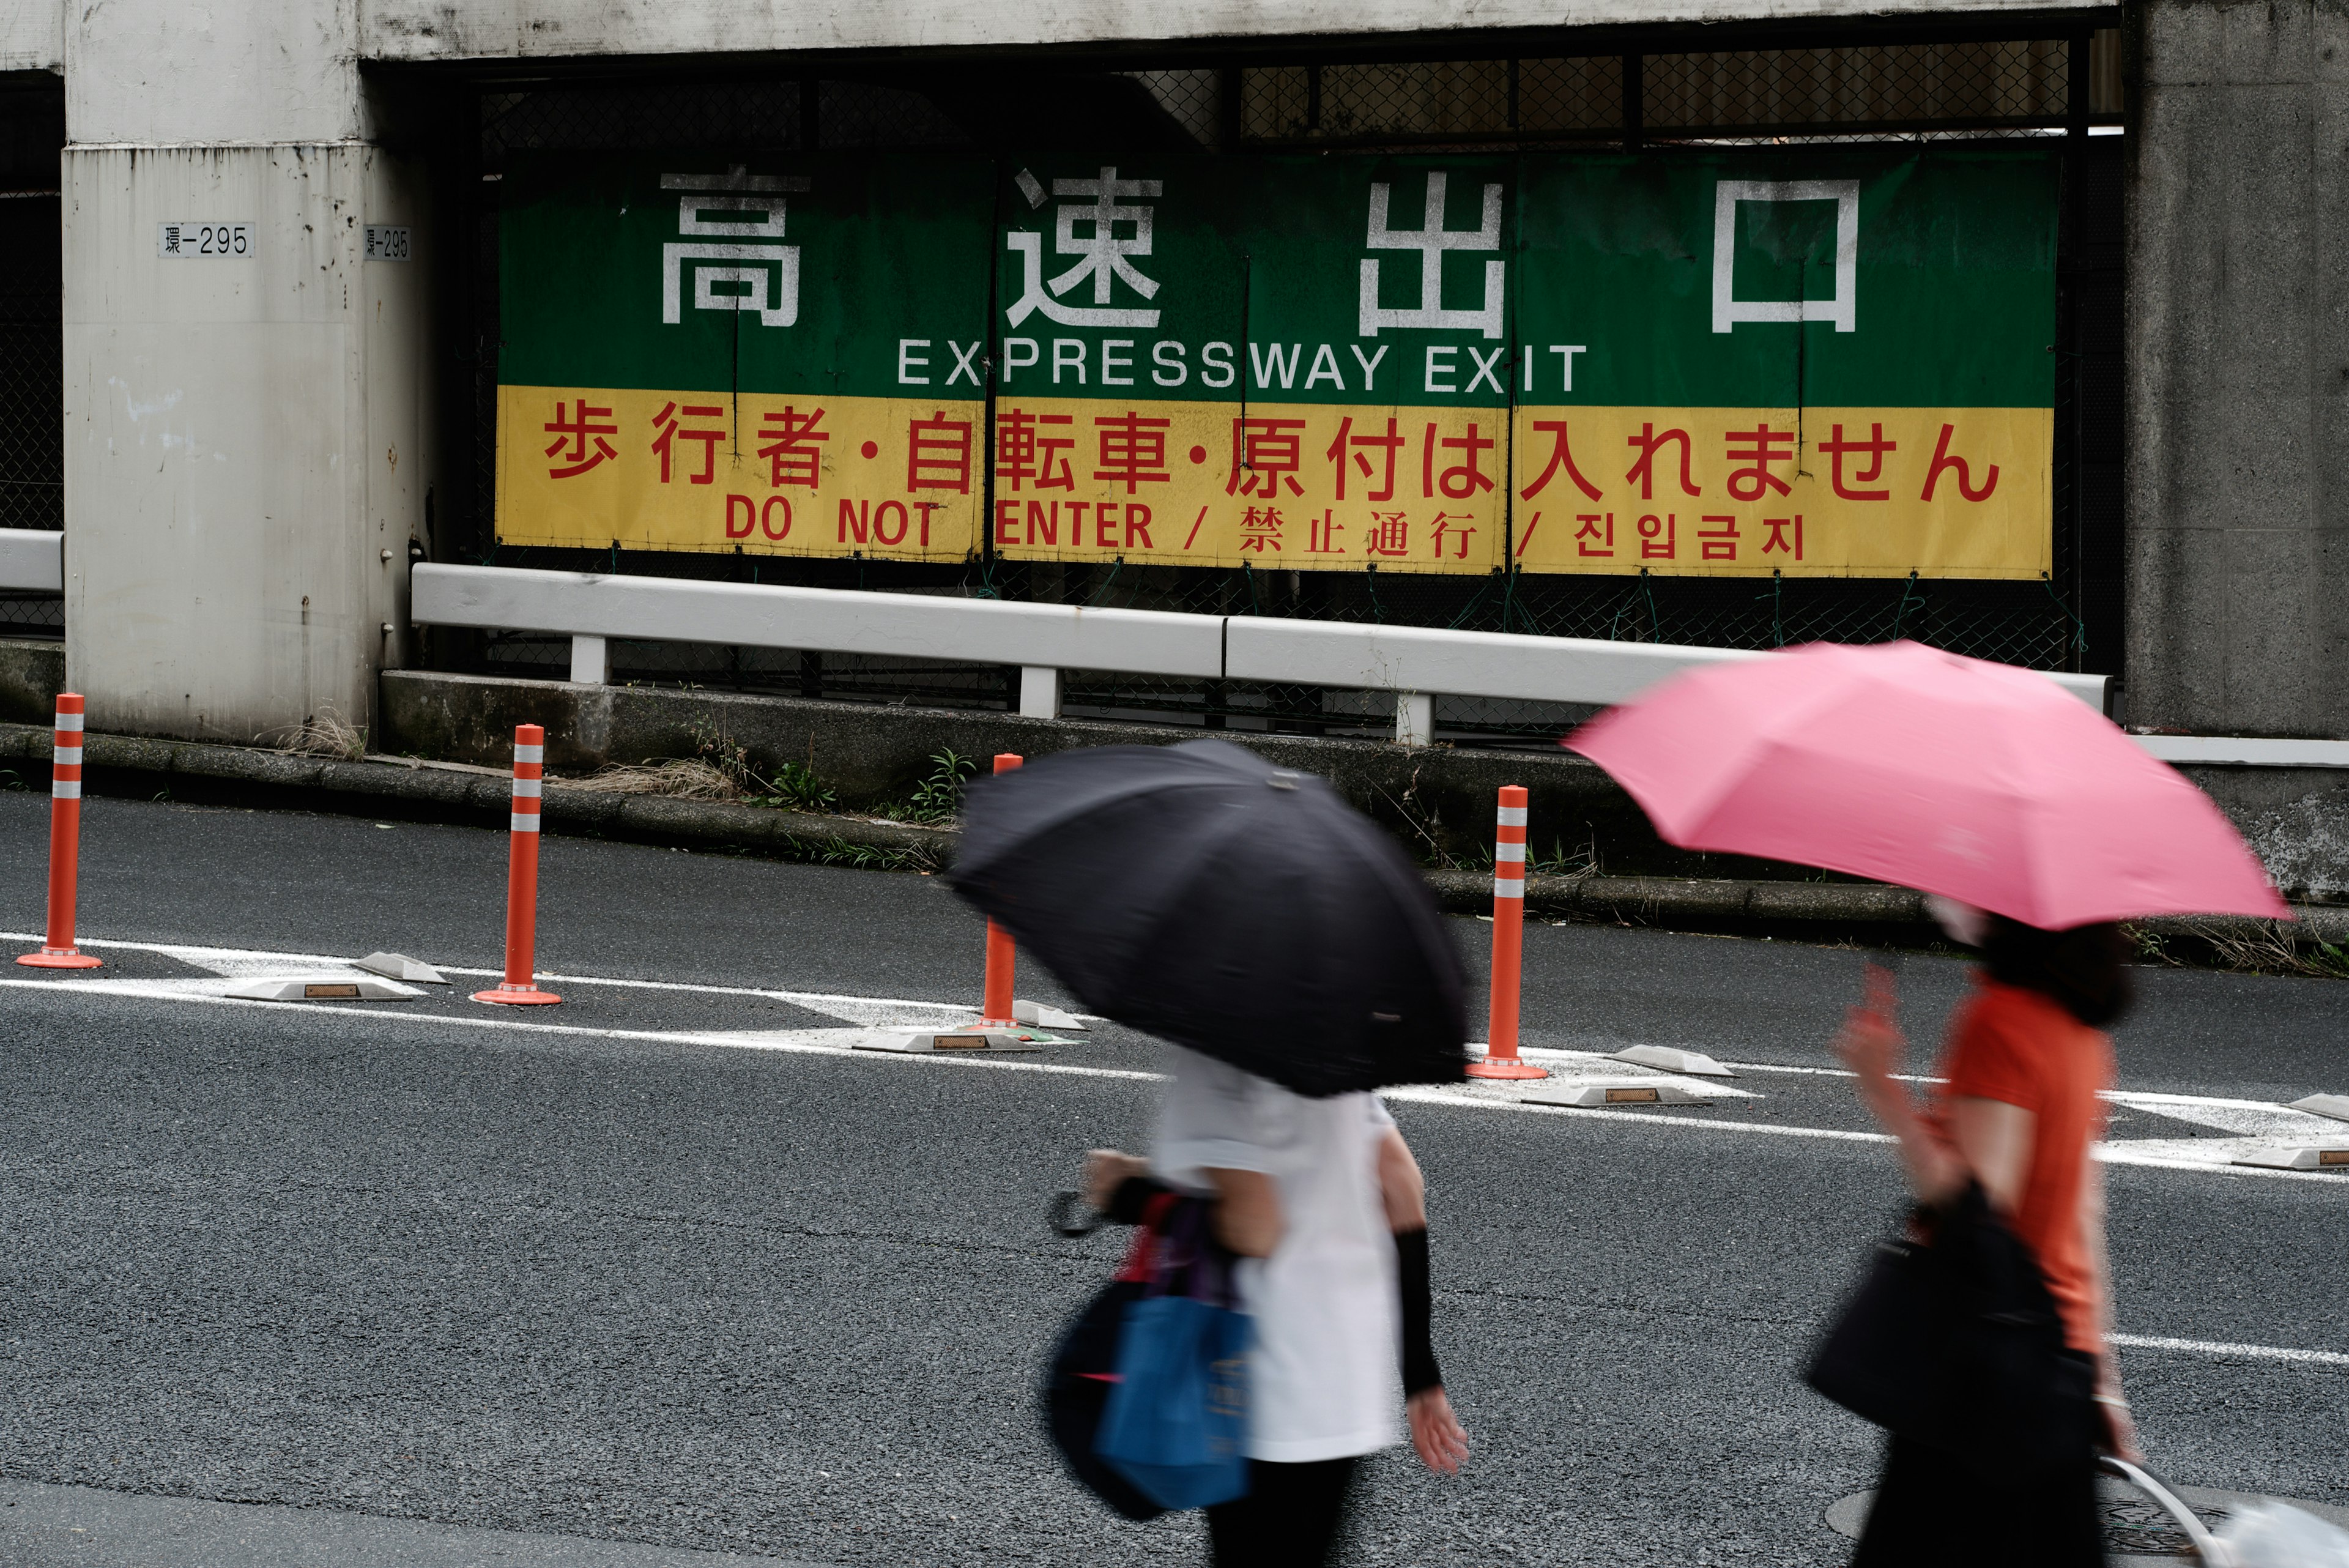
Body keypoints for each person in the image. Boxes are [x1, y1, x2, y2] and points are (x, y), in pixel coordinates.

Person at [1834, 910, 2140, 1568]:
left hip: (1983, 1365)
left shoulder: (1999, 1021)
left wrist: (1880, 1085)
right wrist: (2100, 1378)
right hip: (2055, 1358)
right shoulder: (2084, 1031)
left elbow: (1978, 1205)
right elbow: (2082, 1217)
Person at [1085, 1044, 1470, 1567]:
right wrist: (1421, 1375)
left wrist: (1133, 1194)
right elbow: (1403, 1186)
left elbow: (1256, 1227)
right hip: (1348, 1380)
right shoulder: (1334, 1053)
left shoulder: (1216, 1062)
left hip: (1258, 1380)